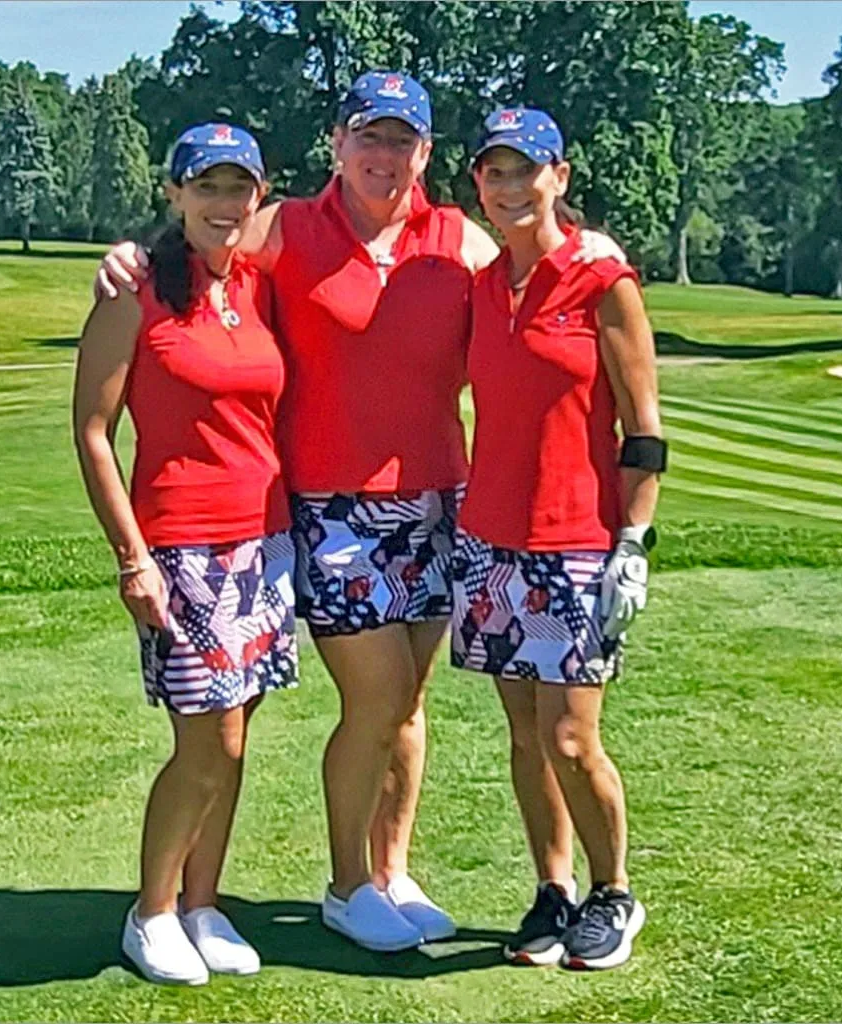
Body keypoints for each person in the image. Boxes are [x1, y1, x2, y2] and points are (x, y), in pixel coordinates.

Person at [94, 72, 625, 954]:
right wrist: (127, 255)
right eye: (368, 138)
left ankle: (391, 869)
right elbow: (201, 238)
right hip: (332, 508)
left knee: (409, 706)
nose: (385, 157)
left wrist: (594, 243)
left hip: (439, 502)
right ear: (338, 144)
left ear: (424, 154)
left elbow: (547, 265)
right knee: (374, 702)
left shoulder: (454, 239)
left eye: (403, 142)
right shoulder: (288, 227)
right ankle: (346, 884)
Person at [73, 123, 298, 984]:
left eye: (239, 188)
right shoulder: (135, 291)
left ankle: (203, 903)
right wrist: (132, 556)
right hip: (181, 546)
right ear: (173, 194)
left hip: (264, 543)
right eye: (205, 187)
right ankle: (153, 910)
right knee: (204, 741)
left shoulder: (258, 284)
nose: (223, 204)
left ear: (258, 195)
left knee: (237, 738)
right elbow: (93, 432)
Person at [452, 108, 664, 971]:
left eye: (525, 171)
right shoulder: (481, 281)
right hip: (491, 537)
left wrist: (635, 542)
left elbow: (643, 429)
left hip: (578, 543)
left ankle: (616, 892)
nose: (510, 188)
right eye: (494, 173)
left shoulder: (603, 278)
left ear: (560, 177)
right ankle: (554, 888)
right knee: (527, 738)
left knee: (572, 739)